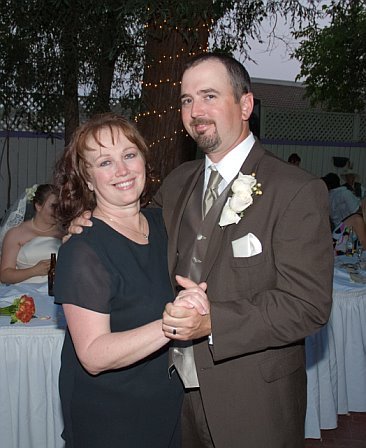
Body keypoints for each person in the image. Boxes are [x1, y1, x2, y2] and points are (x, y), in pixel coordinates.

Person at [69, 54, 334, 447]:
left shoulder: (294, 190)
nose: (195, 111)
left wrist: (215, 324)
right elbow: (131, 226)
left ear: (245, 105)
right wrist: (86, 221)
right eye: (186, 100)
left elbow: (308, 305)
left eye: (209, 95)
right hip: (173, 399)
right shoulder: (178, 183)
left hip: (252, 401)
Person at [52, 114, 188, 448]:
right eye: (105, 162)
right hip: (111, 416)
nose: (122, 170)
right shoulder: (83, 249)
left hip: (166, 401)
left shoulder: (162, 223)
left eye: (129, 155)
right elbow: (94, 355)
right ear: (88, 178)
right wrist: (174, 324)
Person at [0, 184, 63, 284]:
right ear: (38, 206)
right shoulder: (16, 233)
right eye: (53, 206)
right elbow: (4, 275)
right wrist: (34, 271)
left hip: (58, 290)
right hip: (26, 291)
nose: (58, 211)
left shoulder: (64, 232)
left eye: (61, 206)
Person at [322, 172, 366, 251]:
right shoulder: (345, 193)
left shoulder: (329, 196)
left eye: (351, 176)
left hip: (339, 232)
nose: (350, 178)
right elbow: (356, 210)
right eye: (348, 176)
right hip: (350, 231)